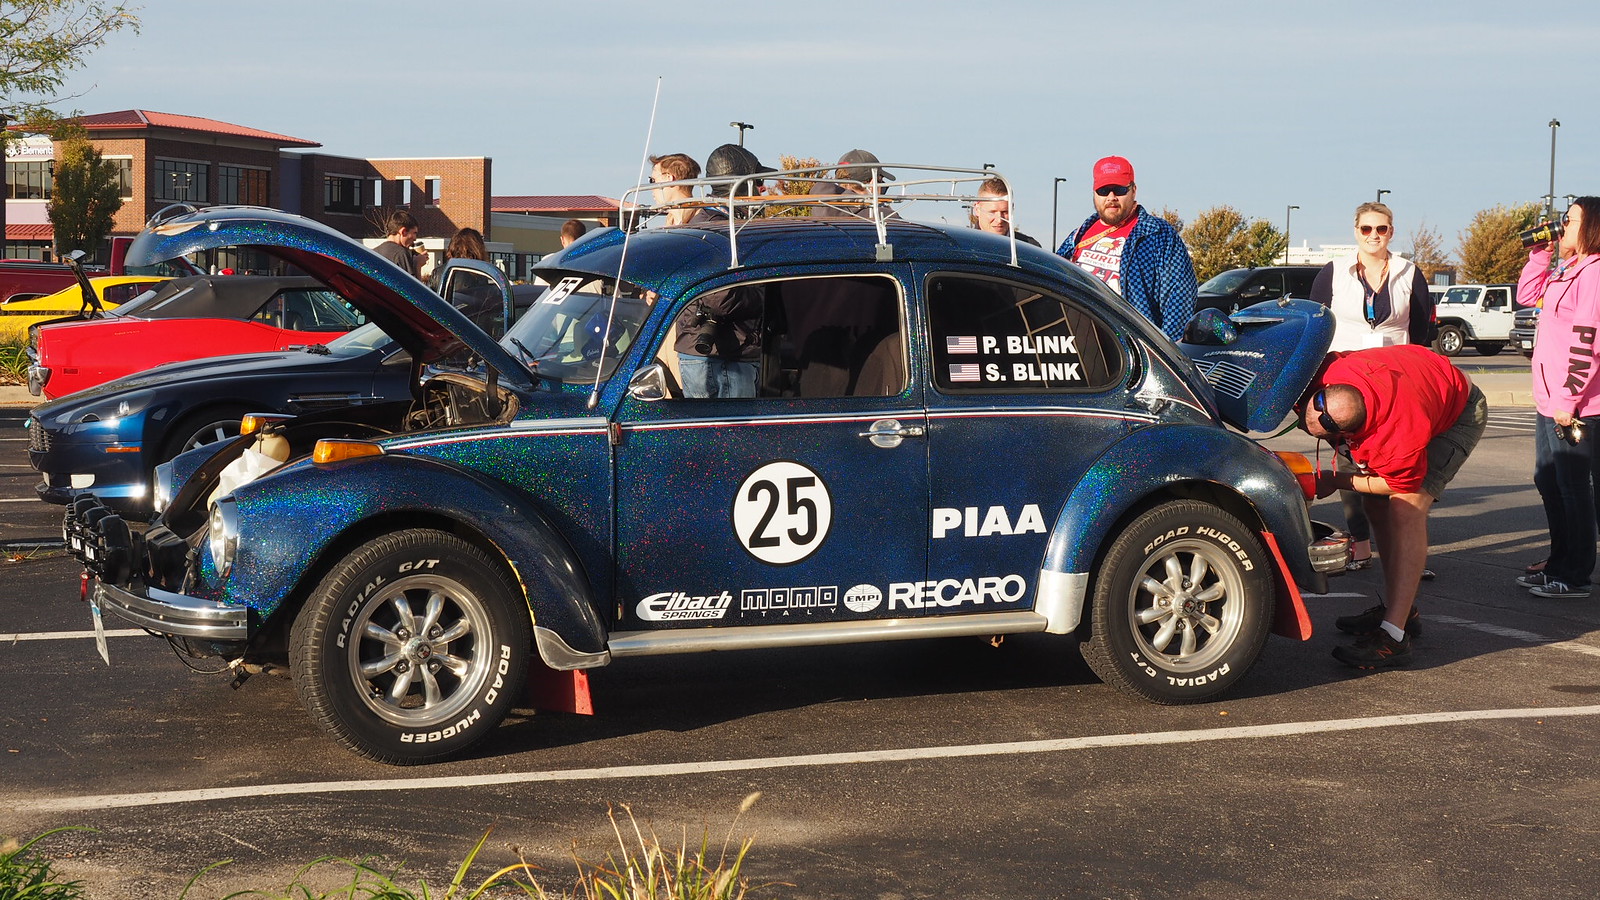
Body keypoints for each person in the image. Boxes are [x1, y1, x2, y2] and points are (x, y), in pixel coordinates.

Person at [1299, 345, 1487, 668]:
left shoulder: (1397, 439)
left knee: (1406, 508)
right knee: (1374, 506)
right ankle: (1402, 609)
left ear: (1348, 432)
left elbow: (1399, 484)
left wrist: (1335, 480)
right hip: (1422, 388)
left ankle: (1394, 637)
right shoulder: (1328, 373)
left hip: (1460, 411)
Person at [1310, 201, 1435, 576]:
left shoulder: (1409, 272)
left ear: (1391, 232)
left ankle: (1405, 553)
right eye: (1366, 228)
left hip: (1396, 384)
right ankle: (1361, 547)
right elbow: (1315, 325)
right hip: (1345, 381)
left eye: (1381, 229)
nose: (1374, 236)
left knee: (1402, 464)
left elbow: (1421, 332)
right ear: (1356, 231)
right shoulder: (1334, 272)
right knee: (1351, 463)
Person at [1515, 196, 1600, 599]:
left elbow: (1588, 340)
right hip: (1550, 399)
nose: (1562, 225)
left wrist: (1569, 398)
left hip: (1575, 403)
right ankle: (1558, 562)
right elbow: (1526, 295)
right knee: (1548, 480)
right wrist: (1541, 253)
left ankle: (1576, 574)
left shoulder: (1594, 273)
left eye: (1570, 220)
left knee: (1572, 487)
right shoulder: (1568, 268)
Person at [1057, 155, 1197, 342]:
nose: (1111, 197)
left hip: (1127, 346)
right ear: (1094, 193)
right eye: (1103, 190)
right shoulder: (1078, 236)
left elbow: (1180, 296)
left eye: (1119, 190)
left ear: (1133, 191)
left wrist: (1164, 348)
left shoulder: (1158, 235)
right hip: (1077, 343)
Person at [690, 144, 772, 224]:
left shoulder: (716, 217)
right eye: (758, 181)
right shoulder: (719, 224)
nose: (764, 188)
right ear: (741, 185)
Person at [814, 149, 896, 220]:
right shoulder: (885, 217)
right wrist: (877, 202)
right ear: (872, 184)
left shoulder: (817, 212)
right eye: (881, 182)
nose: (882, 190)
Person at [970, 176, 1040, 247]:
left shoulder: (1029, 247)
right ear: (977, 209)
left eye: (1005, 212)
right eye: (992, 212)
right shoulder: (965, 245)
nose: (999, 220)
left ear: (1012, 209)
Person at [650, 153, 701, 227]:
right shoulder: (671, 221)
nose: (651, 187)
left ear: (669, 179)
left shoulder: (704, 221)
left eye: (653, 180)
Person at [373, 210, 425, 278]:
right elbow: (409, 284)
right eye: (414, 233)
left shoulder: (374, 252)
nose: (415, 238)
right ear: (403, 232)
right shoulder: (401, 254)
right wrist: (417, 266)